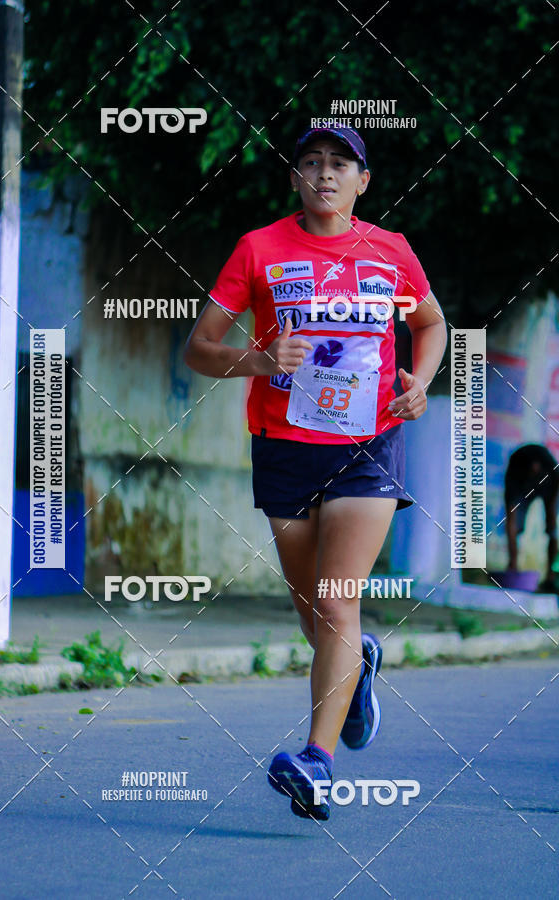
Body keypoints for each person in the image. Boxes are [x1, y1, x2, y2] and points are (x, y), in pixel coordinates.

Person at [184, 125, 447, 820]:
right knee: (316, 618)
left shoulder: (390, 252)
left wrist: (418, 383)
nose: (324, 174)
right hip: (285, 448)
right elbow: (200, 349)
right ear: (295, 178)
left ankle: (316, 764)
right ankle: (356, 667)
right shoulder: (260, 249)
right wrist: (262, 361)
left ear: (364, 181)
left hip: (368, 448)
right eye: (310, 162)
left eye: (340, 164)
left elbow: (432, 325)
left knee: (334, 602)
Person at [504, 443, 559, 590]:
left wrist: (551, 519)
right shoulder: (515, 476)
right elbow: (511, 521)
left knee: (552, 528)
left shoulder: (552, 472)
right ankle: (513, 567)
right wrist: (513, 564)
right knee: (514, 527)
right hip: (521, 485)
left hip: (548, 484)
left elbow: (553, 508)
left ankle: (551, 576)